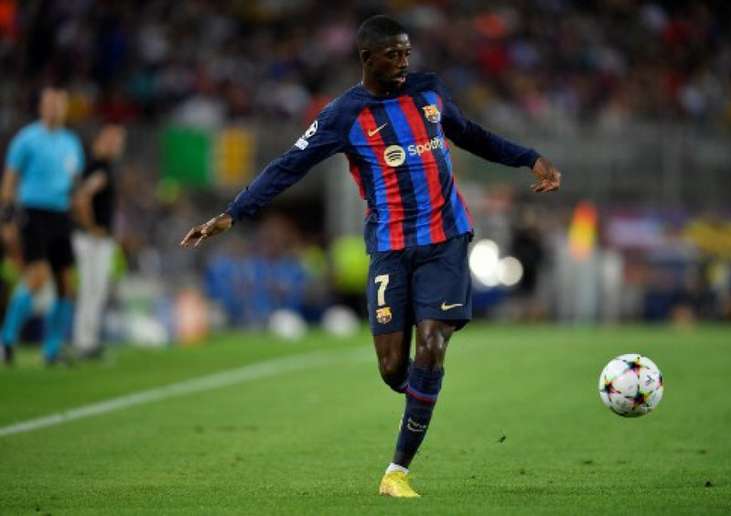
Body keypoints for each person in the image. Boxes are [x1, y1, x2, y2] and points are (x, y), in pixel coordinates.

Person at [180, 15, 561, 497]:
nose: (404, 61)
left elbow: (474, 136)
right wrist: (231, 214)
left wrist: (530, 157)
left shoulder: (430, 92)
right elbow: (288, 166)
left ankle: (396, 471)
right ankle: (423, 392)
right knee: (391, 368)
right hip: (389, 250)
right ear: (367, 58)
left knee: (432, 345)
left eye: (407, 52)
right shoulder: (344, 114)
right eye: (394, 54)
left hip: (446, 240)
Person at [1, 86, 85, 365]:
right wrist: (7, 218)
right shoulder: (27, 139)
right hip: (33, 213)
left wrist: (79, 209)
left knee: (66, 284)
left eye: (58, 104)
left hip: (61, 216)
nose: (53, 109)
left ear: (64, 108)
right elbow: (10, 180)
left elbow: (75, 184)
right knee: (37, 278)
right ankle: (6, 341)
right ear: (41, 107)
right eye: (49, 104)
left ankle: (52, 349)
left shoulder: (71, 143)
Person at [71, 124, 126, 359]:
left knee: (96, 290)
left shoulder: (103, 166)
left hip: (97, 238)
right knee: (91, 290)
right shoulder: (99, 167)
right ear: (103, 140)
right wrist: (91, 227)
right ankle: (84, 343)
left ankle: (89, 341)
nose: (118, 146)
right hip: (92, 239)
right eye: (114, 140)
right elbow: (82, 197)